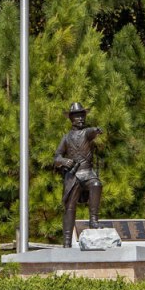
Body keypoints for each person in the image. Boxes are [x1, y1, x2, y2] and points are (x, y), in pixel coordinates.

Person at [53, 102, 103, 248]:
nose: (81, 118)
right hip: (73, 176)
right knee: (70, 207)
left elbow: (92, 132)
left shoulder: (87, 133)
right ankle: (67, 241)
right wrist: (63, 161)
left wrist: (96, 130)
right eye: (77, 116)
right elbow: (56, 157)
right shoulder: (66, 138)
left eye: (82, 115)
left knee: (96, 184)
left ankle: (93, 220)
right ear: (71, 118)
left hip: (87, 173)